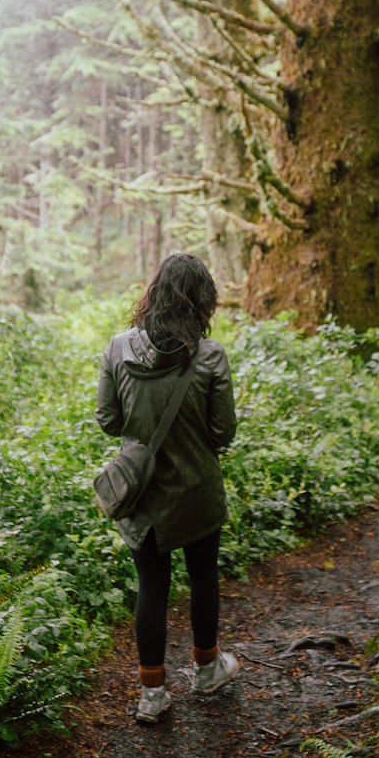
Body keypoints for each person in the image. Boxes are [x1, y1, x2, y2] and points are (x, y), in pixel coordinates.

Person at [96, 252, 239, 724]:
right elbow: (223, 434)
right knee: (202, 577)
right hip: (197, 491)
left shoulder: (118, 348)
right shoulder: (210, 357)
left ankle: (152, 694)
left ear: (153, 293)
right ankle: (206, 668)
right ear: (203, 301)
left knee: (151, 587)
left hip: (143, 497)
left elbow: (109, 420)